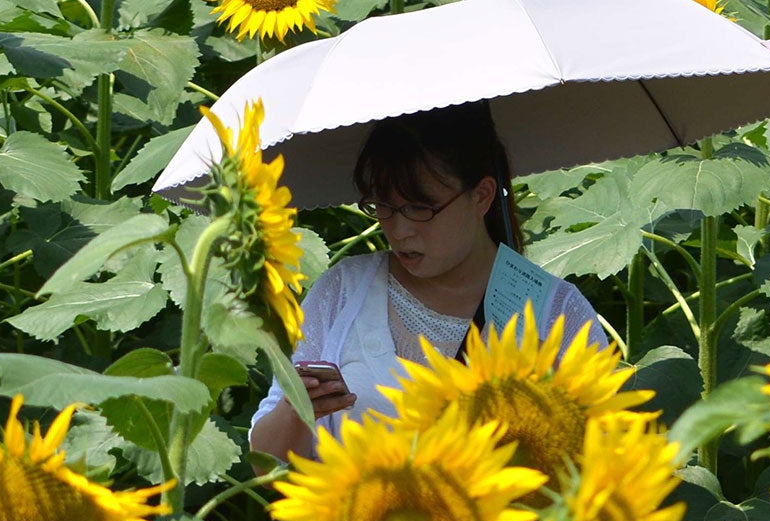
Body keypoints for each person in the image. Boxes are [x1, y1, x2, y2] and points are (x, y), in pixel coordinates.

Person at [247, 101, 605, 463]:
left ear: (481, 196)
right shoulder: (344, 291)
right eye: (383, 206)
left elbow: (598, 455)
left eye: (421, 208)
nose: (400, 230)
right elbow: (266, 463)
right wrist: (297, 408)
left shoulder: (552, 310)